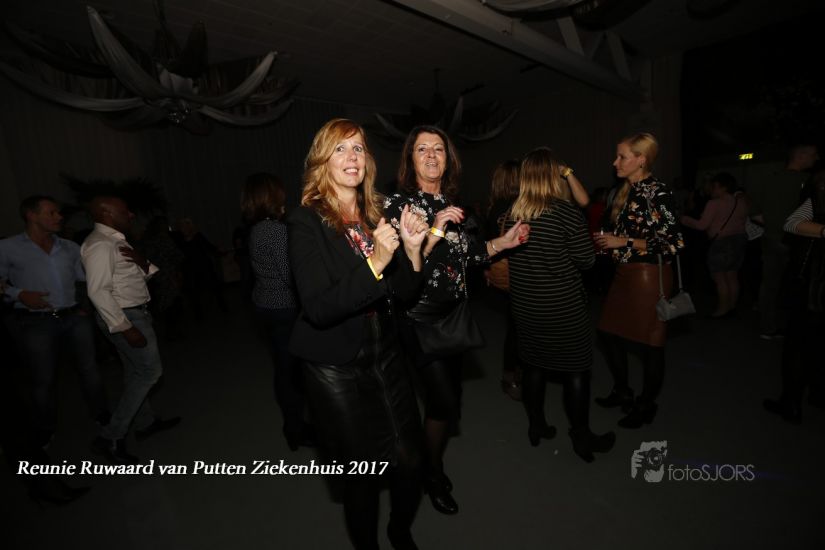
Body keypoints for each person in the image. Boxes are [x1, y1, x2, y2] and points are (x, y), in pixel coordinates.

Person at [287, 118, 430, 550]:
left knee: (411, 457)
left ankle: (399, 531)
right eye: (340, 149)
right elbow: (318, 307)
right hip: (335, 365)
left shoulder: (376, 214)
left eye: (358, 148)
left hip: (385, 351)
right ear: (322, 162)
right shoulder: (306, 221)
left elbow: (404, 293)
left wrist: (411, 251)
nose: (352, 157)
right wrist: (376, 262)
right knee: (361, 476)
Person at [384, 125, 528, 515]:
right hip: (419, 318)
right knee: (444, 401)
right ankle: (429, 472)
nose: (431, 155)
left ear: (448, 159)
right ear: (410, 159)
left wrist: (503, 243)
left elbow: (468, 253)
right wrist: (436, 226)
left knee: (450, 400)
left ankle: (429, 462)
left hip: (454, 315)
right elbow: (404, 266)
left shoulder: (450, 202)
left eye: (439, 149)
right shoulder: (400, 205)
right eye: (422, 149)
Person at [507, 147, 616, 462]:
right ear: (553, 177)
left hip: (526, 306)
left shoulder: (513, 213)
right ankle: (581, 438)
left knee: (533, 368)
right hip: (563, 308)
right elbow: (586, 261)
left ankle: (537, 426)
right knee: (576, 372)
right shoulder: (565, 213)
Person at [0, 195, 108, 448]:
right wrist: (19, 294)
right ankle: (45, 428)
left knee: (90, 371)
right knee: (43, 380)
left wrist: (85, 304)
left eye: (58, 212)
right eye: (51, 213)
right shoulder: (8, 248)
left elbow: (85, 279)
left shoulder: (69, 247)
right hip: (36, 323)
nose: (59, 217)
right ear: (31, 215)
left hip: (74, 318)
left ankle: (103, 416)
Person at [593, 133, 684, 428]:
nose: (615, 162)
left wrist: (623, 241)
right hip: (624, 274)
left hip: (648, 276)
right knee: (607, 333)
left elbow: (674, 242)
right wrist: (611, 240)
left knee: (650, 345)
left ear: (641, 159)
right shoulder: (625, 191)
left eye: (622, 156)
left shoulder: (657, 192)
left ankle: (646, 405)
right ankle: (623, 391)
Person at [81, 196, 180, 464]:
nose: (131, 214)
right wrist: (125, 327)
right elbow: (98, 291)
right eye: (125, 210)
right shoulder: (100, 244)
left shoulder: (115, 241)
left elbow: (132, 277)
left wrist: (142, 261)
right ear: (107, 213)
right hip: (125, 315)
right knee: (149, 372)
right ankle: (111, 437)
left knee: (135, 371)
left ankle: (145, 423)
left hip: (134, 312)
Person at [241, 172, 314, 451]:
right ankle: (296, 429)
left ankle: (294, 426)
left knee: (283, 369)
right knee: (291, 373)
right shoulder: (274, 231)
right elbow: (291, 276)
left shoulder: (257, 228)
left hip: (265, 305)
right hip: (284, 309)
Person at [764, 168, 825, 423]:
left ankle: (793, 402)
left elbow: (791, 223)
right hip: (813, 282)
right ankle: (810, 396)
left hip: (814, 284)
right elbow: (792, 223)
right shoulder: (816, 198)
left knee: (800, 342)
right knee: (809, 340)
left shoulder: (817, 195)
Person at [748, 143, 819, 339]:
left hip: (772, 237)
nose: (816, 158)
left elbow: (754, 213)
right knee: (800, 286)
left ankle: (768, 327)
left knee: (770, 284)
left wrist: (773, 223)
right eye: (813, 154)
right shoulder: (809, 181)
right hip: (800, 241)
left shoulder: (769, 179)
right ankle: (796, 329)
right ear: (801, 155)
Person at [680, 172, 749, 318]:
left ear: (721, 187)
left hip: (721, 243)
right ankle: (732, 307)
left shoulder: (714, 203)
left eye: (713, 186)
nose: (711, 189)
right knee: (732, 276)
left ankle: (722, 310)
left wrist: (684, 219)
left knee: (720, 277)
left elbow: (702, 225)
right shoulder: (741, 202)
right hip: (739, 241)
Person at [483, 159, 522, 400]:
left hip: (501, 273)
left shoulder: (494, 207)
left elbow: (487, 241)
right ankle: (513, 377)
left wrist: (487, 269)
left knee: (514, 327)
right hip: (520, 273)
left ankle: (511, 376)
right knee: (519, 330)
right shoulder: (521, 206)